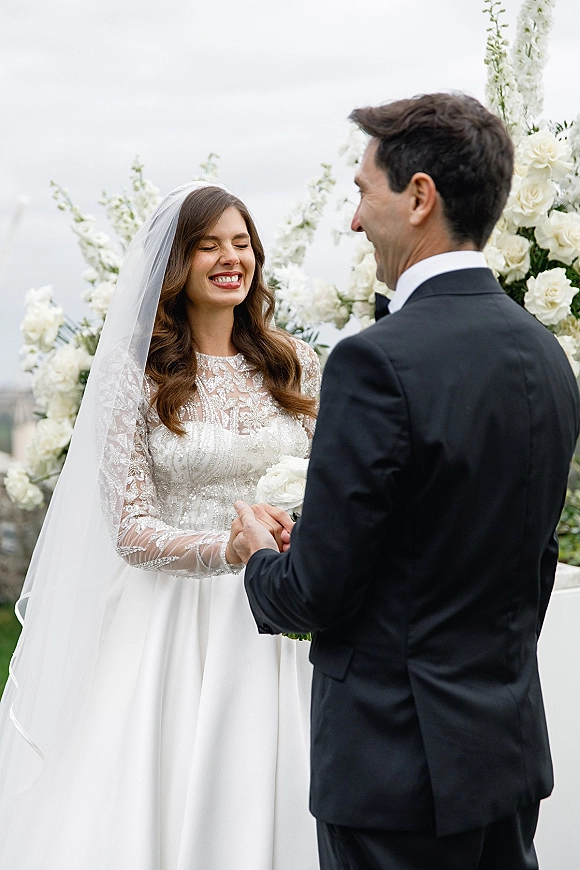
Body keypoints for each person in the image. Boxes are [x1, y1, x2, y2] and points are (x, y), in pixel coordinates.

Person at [233, 93, 580, 870]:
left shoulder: (376, 360)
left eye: (363, 192)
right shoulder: (545, 355)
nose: (354, 220)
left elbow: (315, 594)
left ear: (419, 196)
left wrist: (262, 557)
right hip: (504, 758)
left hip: (394, 768)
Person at [0, 182, 320, 869]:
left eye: (241, 244)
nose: (229, 258)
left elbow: (335, 480)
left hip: (288, 605)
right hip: (173, 621)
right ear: (177, 265)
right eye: (208, 246)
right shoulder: (132, 375)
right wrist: (227, 547)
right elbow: (132, 529)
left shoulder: (295, 361)